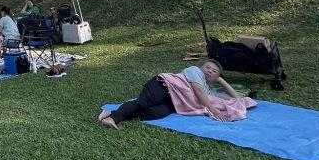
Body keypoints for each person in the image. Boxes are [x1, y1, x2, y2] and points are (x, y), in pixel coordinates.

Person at [98, 60, 255, 129]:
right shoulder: (195, 71)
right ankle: (113, 118)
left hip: (173, 103)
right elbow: (198, 92)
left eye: (214, 71)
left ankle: (111, 112)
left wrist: (221, 80)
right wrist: (213, 110)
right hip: (164, 86)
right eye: (207, 67)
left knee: (155, 113)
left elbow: (237, 99)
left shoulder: (209, 90)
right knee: (142, 103)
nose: (209, 70)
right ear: (202, 67)